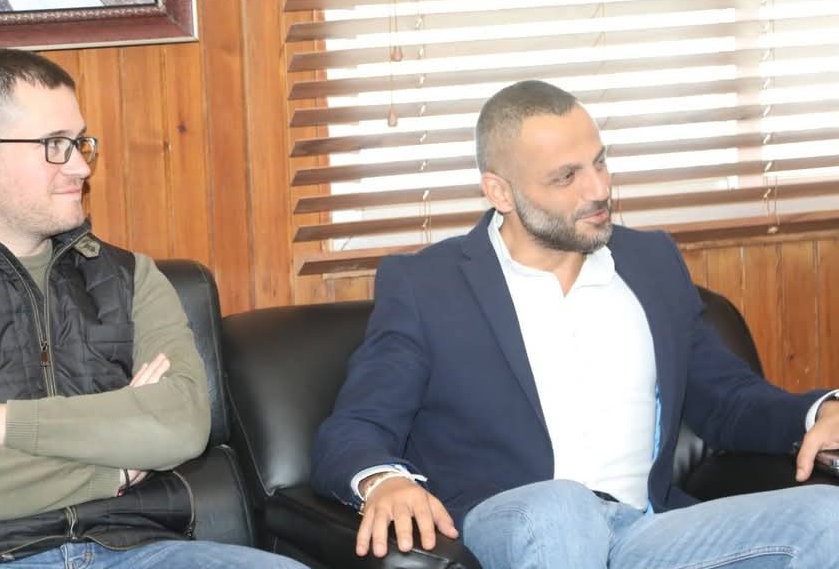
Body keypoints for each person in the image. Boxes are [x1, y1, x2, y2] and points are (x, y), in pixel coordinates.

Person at [309, 79, 839, 568]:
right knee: (564, 507)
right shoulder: (428, 285)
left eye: (600, 163)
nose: (598, 189)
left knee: (826, 515)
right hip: (516, 524)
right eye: (567, 176)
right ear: (500, 192)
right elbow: (356, 426)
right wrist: (383, 482)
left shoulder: (651, 262)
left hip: (648, 532)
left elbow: (726, 399)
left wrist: (819, 411)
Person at [0, 48, 307, 569]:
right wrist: (113, 470)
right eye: (54, 145)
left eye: (80, 142)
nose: (82, 166)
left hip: (142, 550)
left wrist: (0, 423)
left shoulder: (132, 279)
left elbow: (181, 423)